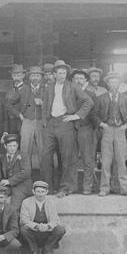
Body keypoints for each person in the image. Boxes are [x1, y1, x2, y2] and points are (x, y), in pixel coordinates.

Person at [40, 59, 94, 197]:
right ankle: (48, 187)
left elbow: (88, 101)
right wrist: (45, 121)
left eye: (64, 73)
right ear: (54, 74)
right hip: (51, 123)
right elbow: (45, 105)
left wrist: (76, 116)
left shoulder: (72, 86)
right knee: (45, 156)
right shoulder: (49, 87)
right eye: (59, 73)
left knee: (66, 157)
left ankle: (64, 188)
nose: (62, 75)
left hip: (66, 122)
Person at [96, 72, 127, 197]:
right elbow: (94, 114)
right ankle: (104, 188)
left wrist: (126, 126)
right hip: (107, 130)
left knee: (121, 160)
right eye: (111, 82)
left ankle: (124, 188)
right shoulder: (101, 98)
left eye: (116, 82)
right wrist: (102, 124)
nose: (113, 84)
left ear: (119, 84)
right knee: (106, 160)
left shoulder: (125, 98)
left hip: (120, 130)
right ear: (107, 84)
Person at [6, 65, 44, 167]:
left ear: (41, 77)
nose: (35, 78)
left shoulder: (48, 90)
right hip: (27, 121)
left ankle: (45, 179)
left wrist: (43, 103)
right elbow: (9, 104)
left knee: (43, 151)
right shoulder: (24, 89)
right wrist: (19, 114)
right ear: (29, 77)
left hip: (42, 122)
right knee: (25, 150)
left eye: (37, 76)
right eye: (33, 76)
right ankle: (26, 177)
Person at [71, 69, 101, 195]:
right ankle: (72, 187)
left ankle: (87, 187)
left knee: (87, 159)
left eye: (81, 78)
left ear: (86, 81)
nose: (79, 80)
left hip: (86, 128)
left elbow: (95, 113)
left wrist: (94, 130)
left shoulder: (91, 94)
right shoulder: (68, 94)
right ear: (72, 80)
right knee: (71, 159)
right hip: (70, 128)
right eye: (76, 78)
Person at [20, 180, 67, 254]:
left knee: (60, 229)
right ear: (33, 192)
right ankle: (34, 250)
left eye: (42, 192)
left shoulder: (51, 202)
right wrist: (36, 226)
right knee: (24, 229)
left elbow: (55, 220)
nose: (40, 194)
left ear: (46, 192)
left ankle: (47, 250)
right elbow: (24, 219)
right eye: (38, 191)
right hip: (33, 231)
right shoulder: (26, 202)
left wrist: (48, 226)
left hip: (47, 231)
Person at [0, 133, 32, 209]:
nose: (12, 148)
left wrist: (9, 181)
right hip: (8, 186)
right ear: (5, 146)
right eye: (10, 146)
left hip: (22, 186)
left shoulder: (24, 156)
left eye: (14, 146)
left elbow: (26, 172)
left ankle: (14, 220)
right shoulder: (2, 158)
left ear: (17, 146)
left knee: (14, 205)